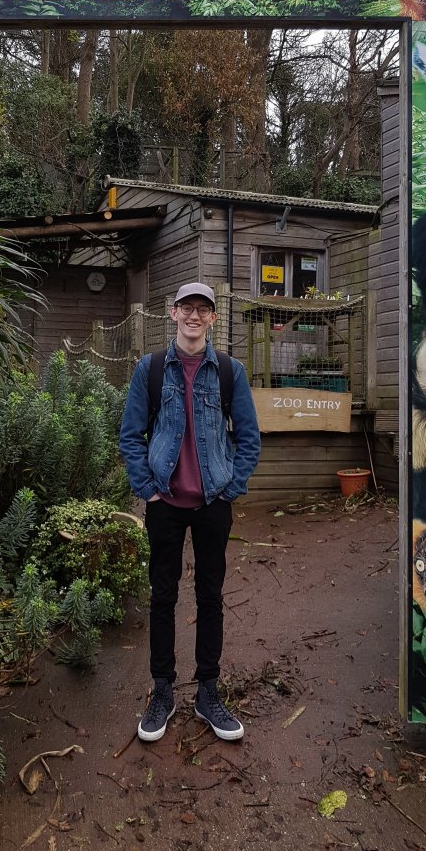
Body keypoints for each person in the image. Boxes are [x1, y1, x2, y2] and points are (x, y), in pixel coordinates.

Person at [119, 283, 261, 743]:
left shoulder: (230, 372)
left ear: (213, 318)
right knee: (162, 597)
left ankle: (208, 692)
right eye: (187, 308)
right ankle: (162, 691)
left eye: (203, 309)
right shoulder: (150, 369)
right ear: (173, 312)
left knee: (210, 596)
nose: (194, 316)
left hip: (212, 504)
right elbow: (130, 435)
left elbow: (249, 437)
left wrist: (231, 487)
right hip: (164, 504)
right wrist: (147, 490)